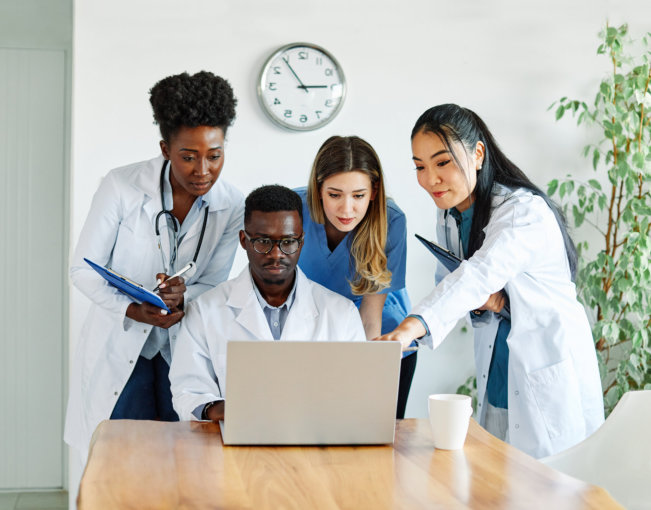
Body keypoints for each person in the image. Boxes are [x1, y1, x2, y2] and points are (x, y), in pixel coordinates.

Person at [376, 104, 604, 458]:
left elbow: (475, 277)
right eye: (419, 166)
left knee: (549, 489)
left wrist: (411, 327)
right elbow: (456, 286)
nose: (429, 178)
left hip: (545, 368)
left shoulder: (521, 210)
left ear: (477, 154)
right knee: (496, 485)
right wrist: (490, 301)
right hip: (500, 372)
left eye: (442, 162)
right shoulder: (451, 213)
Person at [65, 71, 244, 458]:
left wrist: (183, 297)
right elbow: (82, 269)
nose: (202, 170)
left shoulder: (232, 205)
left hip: (181, 350)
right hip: (122, 344)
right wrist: (132, 308)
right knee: (120, 461)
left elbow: (214, 281)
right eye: (188, 156)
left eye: (215, 156)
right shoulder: (121, 186)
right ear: (165, 149)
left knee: (184, 462)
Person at [169, 185, 366, 422]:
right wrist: (221, 410)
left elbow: (356, 395)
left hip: (315, 444)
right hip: (232, 442)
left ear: (301, 241)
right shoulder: (205, 310)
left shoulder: (340, 313)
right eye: (263, 242)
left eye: (288, 242)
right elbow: (187, 391)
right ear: (244, 240)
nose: (276, 254)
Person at [295, 136, 415, 419]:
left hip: (377, 341)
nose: (346, 209)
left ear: (374, 192)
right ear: (318, 189)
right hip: (315, 341)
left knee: (373, 436)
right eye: (334, 195)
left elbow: (370, 319)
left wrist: (362, 383)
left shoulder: (391, 221)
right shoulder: (293, 208)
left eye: (358, 196)